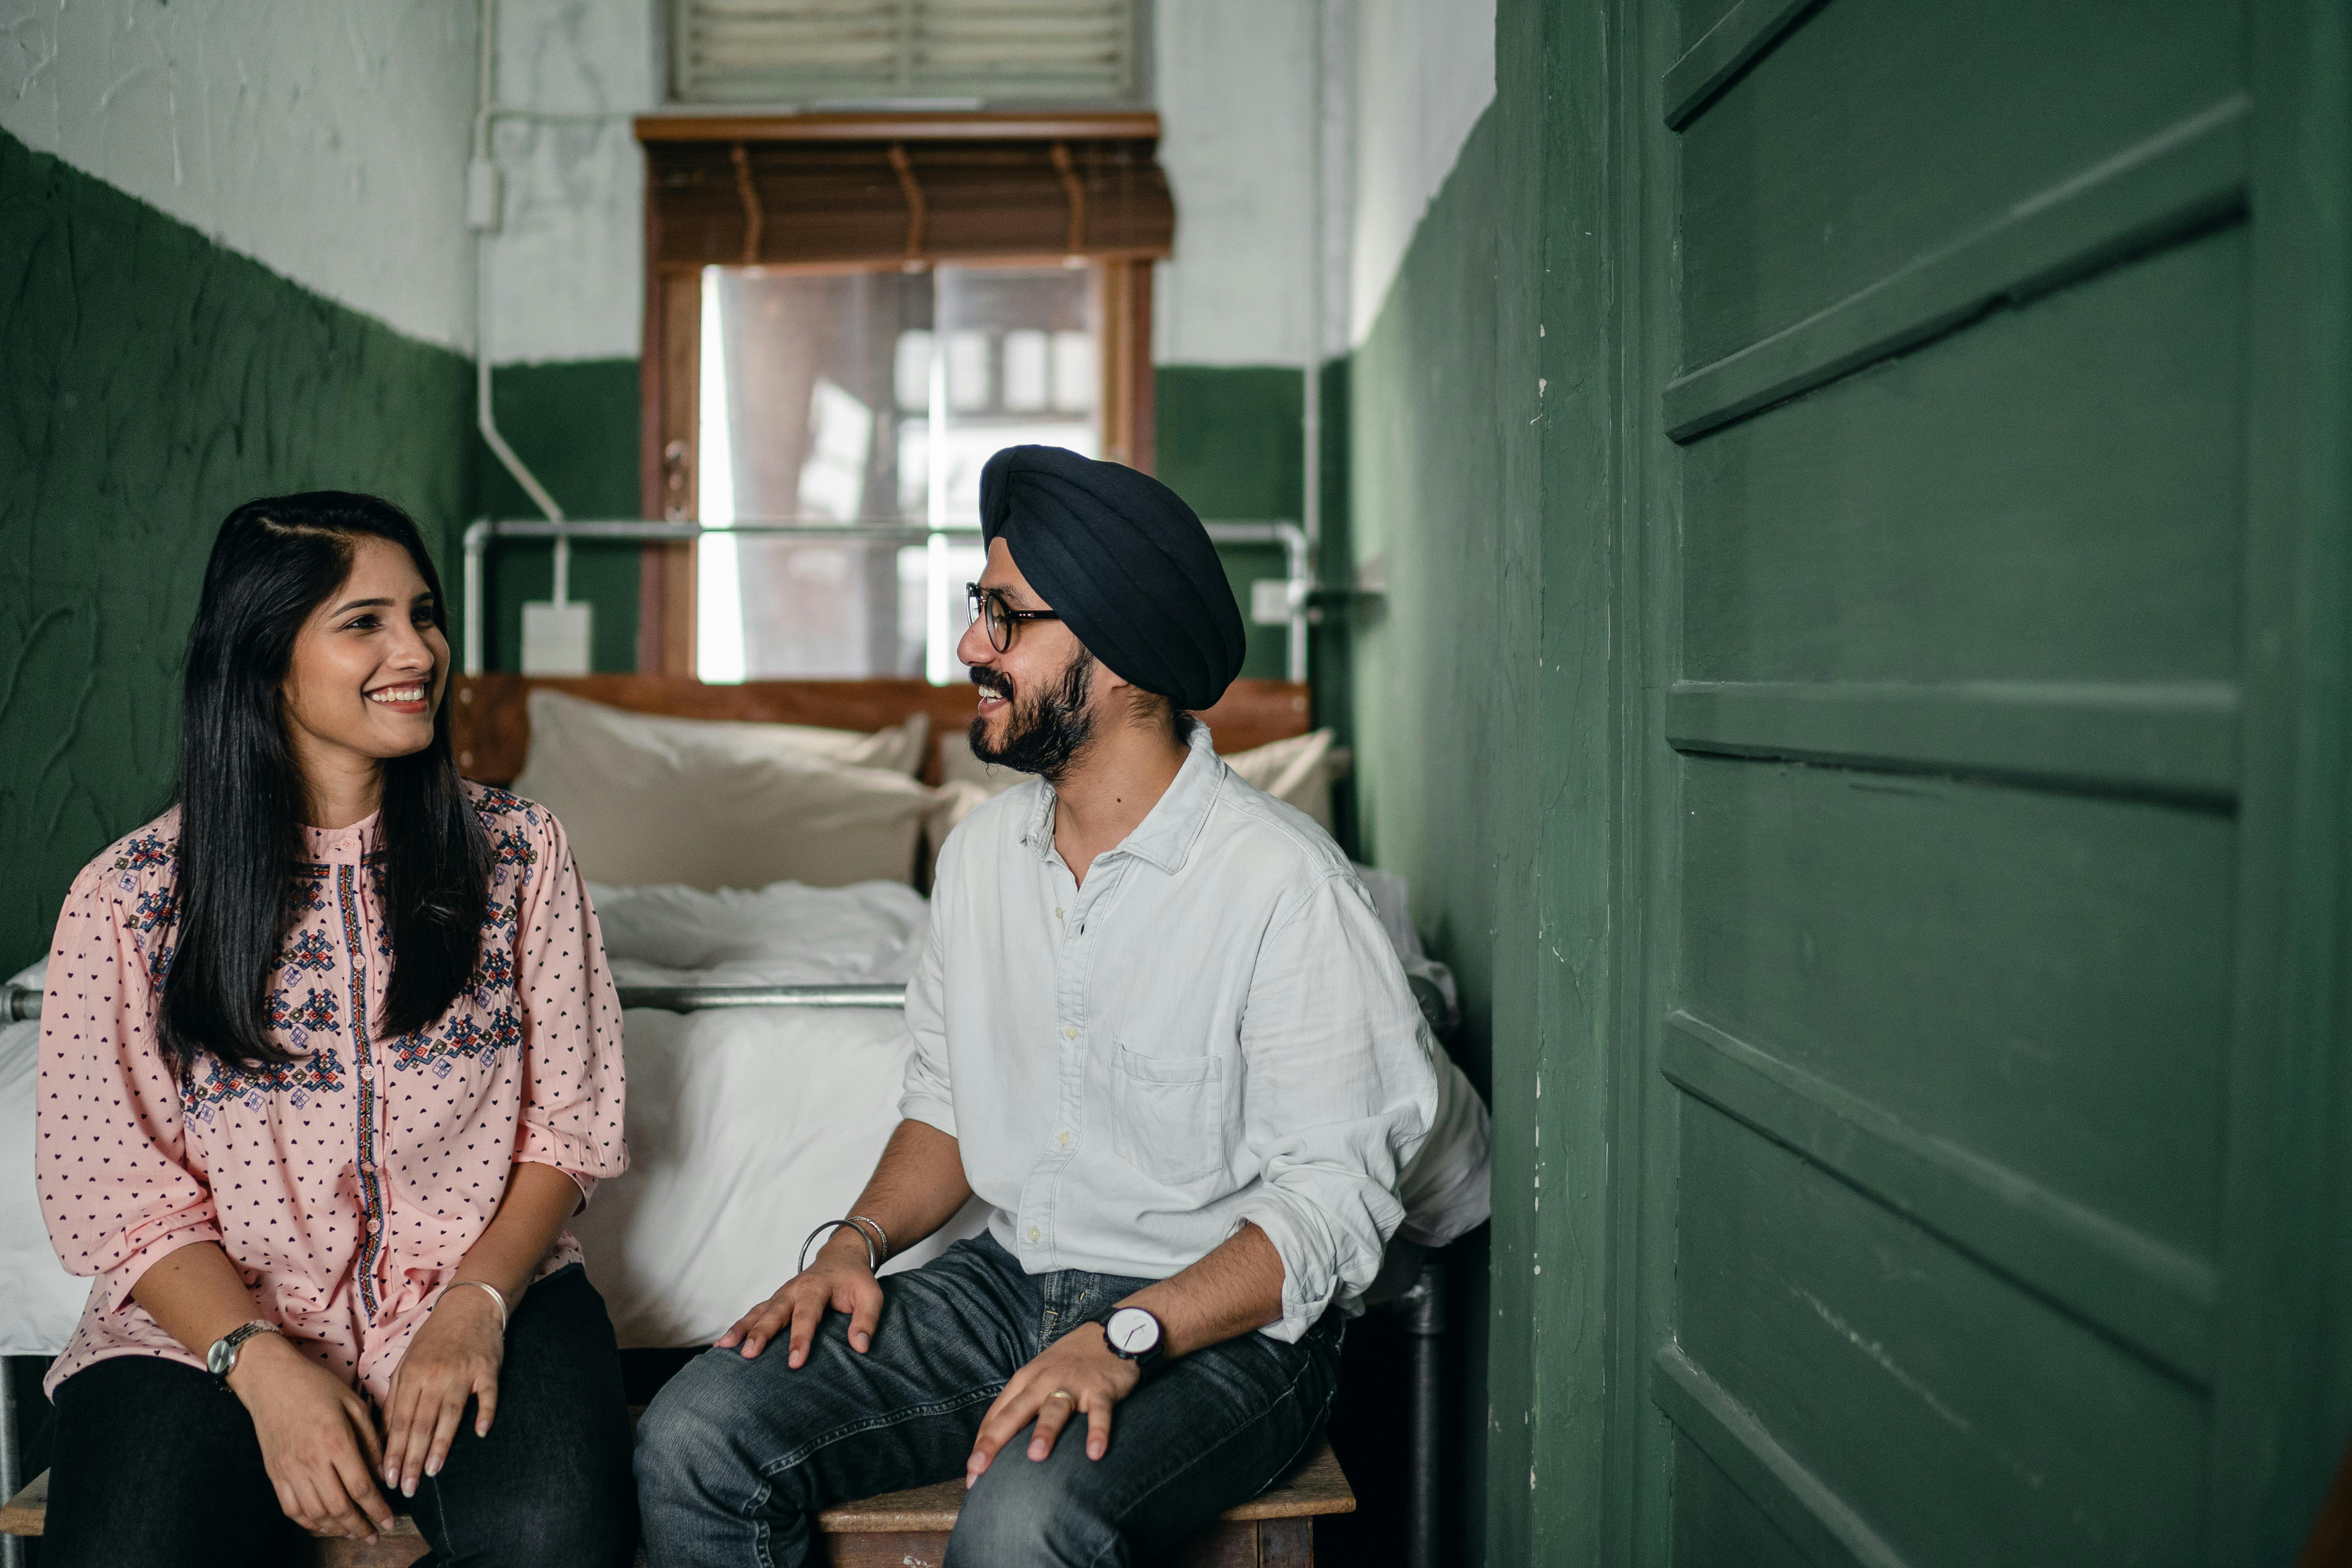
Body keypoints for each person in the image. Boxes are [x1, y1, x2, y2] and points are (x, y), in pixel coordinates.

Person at [635, 447, 1440, 1567]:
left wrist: (1127, 1334)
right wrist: (852, 1245)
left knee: (1028, 1519)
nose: (971, 646)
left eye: (1004, 617)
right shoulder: (978, 860)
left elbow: (1332, 1204)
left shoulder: (1286, 887)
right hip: (1008, 1283)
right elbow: (947, 1104)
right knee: (693, 1435)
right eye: (981, 609)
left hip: (1225, 1325)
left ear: (1120, 654)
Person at [35, 493, 635, 1568]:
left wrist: (477, 1305)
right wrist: (260, 1367)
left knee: (551, 1536)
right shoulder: (129, 899)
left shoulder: (521, 854)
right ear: (264, 660)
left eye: (424, 615)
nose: (418, 652)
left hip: (482, 1285)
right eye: (365, 622)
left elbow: (567, 1126)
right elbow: (120, 1196)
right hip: (202, 1329)